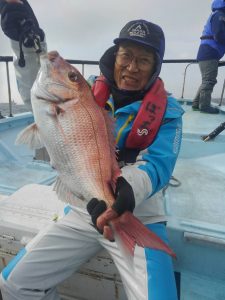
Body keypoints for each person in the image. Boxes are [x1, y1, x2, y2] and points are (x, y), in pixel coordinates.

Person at [0, 1, 184, 299]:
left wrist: (125, 190)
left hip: (140, 213)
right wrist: (24, 46)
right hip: (85, 206)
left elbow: (159, 165)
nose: (131, 67)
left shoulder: (171, 112)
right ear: (114, 57)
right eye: (126, 55)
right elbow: (40, 82)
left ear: (155, 67)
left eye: (144, 60)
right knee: (13, 284)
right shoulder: (83, 91)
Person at [192, 0, 225, 114]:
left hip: (206, 52)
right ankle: (204, 106)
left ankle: (196, 104)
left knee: (206, 80)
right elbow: (219, 35)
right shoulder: (220, 15)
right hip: (209, 52)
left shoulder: (217, 14)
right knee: (209, 80)